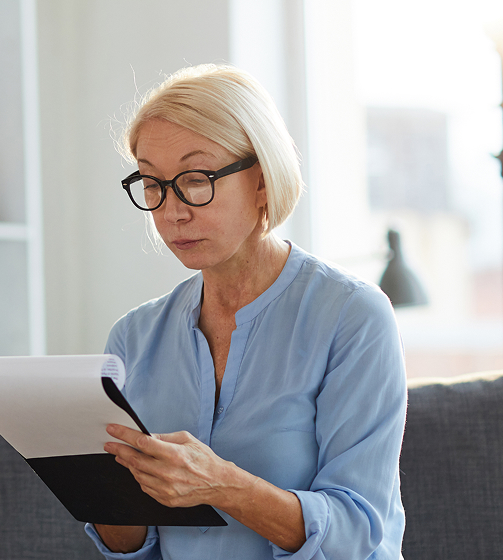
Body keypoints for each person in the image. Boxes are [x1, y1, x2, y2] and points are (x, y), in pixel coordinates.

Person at [87, 64, 406, 558]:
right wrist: (85, 481)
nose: (172, 211)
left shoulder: (353, 316)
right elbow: (132, 547)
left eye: (195, 179)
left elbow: (356, 532)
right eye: (152, 183)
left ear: (262, 181)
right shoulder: (133, 337)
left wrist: (223, 485)